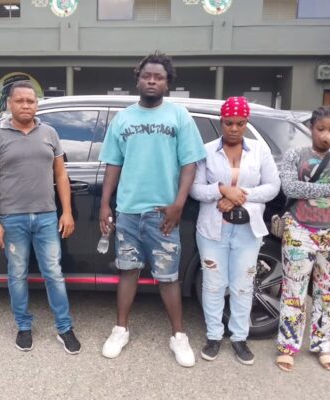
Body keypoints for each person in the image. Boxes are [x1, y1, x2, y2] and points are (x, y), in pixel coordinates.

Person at [98, 52, 206, 367]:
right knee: (128, 270)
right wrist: (105, 203)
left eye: (159, 77)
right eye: (147, 76)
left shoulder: (179, 117)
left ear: (167, 83)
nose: (152, 81)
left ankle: (179, 336)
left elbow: (189, 164)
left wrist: (178, 205)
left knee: (169, 276)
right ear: (138, 79)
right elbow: (113, 164)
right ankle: (120, 330)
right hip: (128, 211)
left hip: (163, 214)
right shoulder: (123, 119)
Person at [0, 80, 81, 355]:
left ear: (37, 104)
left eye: (31, 101)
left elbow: (61, 175)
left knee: (54, 274)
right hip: (12, 218)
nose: (26, 105)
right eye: (20, 100)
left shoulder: (50, 133)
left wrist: (67, 212)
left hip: (47, 217)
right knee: (17, 274)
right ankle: (24, 326)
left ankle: (64, 327)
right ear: (9, 104)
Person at [190, 97, 280, 365]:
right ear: (221, 121)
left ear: (246, 123)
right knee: (213, 285)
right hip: (211, 231)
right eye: (229, 123)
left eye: (240, 123)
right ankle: (214, 336)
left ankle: (240, 338)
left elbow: (272, 186)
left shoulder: (260, 151)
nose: (234, 128)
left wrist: (239, 195)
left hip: (247, 231)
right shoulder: (206, 151)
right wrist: (221, 189)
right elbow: (195, 189)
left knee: (243, 285)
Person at [275, 106, 330, 372]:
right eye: (321, 129)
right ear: (311, 127)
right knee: (293, 290)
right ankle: (288, 346)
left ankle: (323, 345)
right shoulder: (295, 155)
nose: (326, 135)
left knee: (328, 293)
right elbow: (290, 187)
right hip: (300, 229)